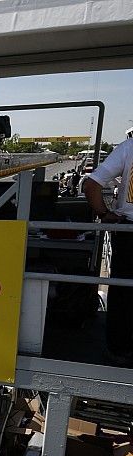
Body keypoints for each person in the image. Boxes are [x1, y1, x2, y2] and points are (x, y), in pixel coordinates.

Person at [83, 137, 133, 365]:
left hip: (129, 234)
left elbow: (92, 185)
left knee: (123, 295)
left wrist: (104, 214)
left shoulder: (129, 147)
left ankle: (118, 350)